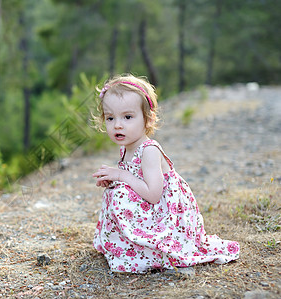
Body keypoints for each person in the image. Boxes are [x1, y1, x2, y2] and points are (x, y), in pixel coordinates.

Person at [91, 74, 240, 273]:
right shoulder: (127, 147)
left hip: (167, 214)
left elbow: (154, 195)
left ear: (148, 119)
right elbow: (134, 181)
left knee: (120, 191)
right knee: (115, 192)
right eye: (110, 118)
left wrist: (120, 176)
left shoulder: (149, 150)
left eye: (127, 117)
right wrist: (114, 181)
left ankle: (145, 249)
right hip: (152, 207)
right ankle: (127, 245)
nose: (117, 124)